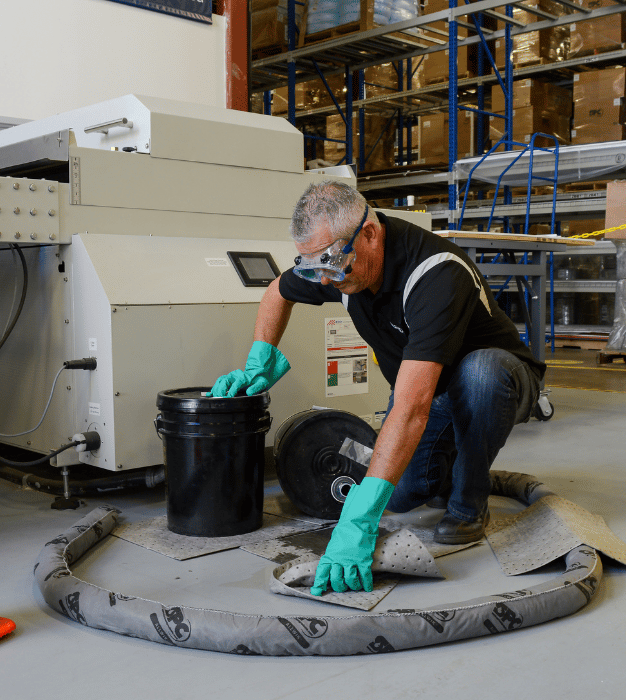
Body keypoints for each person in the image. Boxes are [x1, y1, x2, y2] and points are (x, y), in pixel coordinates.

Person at [209, 181, 546, 596]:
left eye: (333, 264)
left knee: (480, 373)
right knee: (400, 496)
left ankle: (469, 499)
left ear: (368, 233)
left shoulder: (436, 273)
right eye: (315, 268)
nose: (325, 281)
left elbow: (411, 407)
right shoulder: (336, 262)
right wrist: (258, 362)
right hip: (430, 390)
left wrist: (358, 519)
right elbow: (277, 292)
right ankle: (446, 473)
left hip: (496, 379)